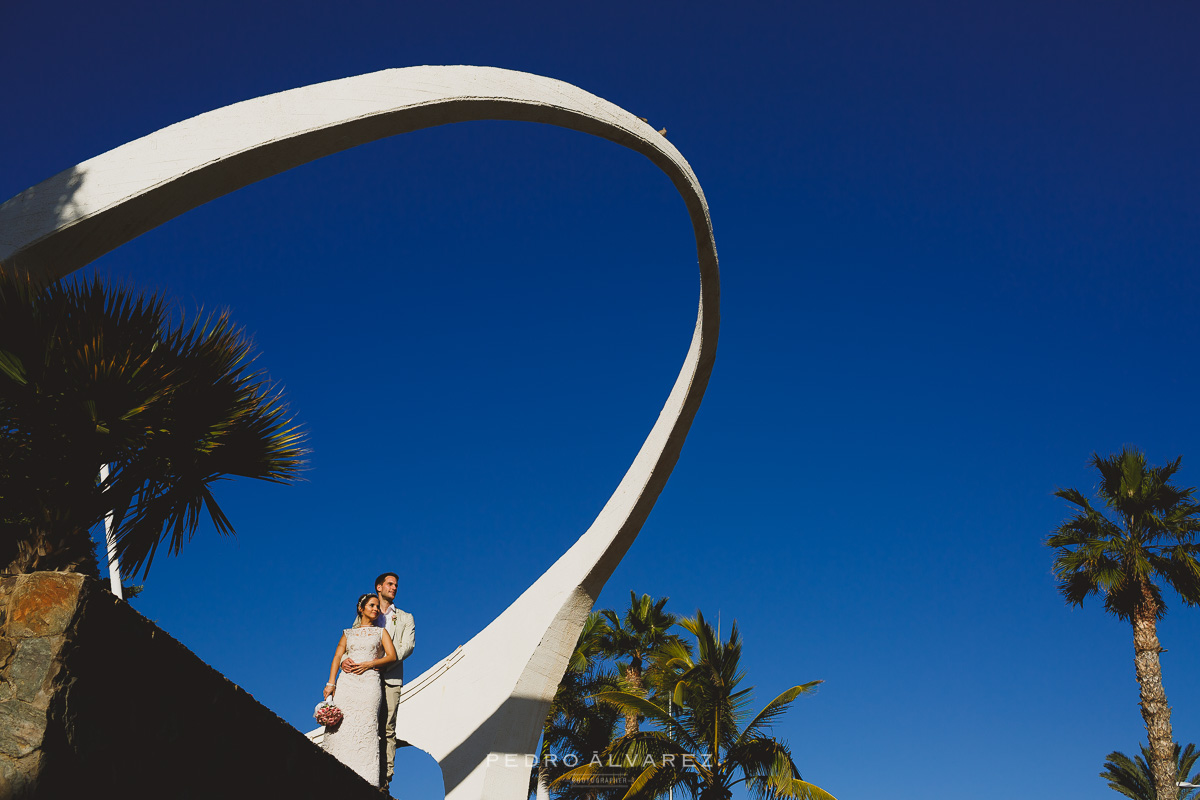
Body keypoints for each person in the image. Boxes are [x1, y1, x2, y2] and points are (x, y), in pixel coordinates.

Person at [322, 593, 397, 786]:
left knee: (367, 725)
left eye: (376, 606)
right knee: (341, 726)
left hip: (369, 684)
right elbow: (337, 656)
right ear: (361, 608)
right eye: (371, 605)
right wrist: (331, 684)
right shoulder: (348, 633)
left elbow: (392, 656)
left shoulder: (381, 632)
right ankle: (332, 770)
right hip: (347, 684)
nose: (375, 609)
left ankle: (366, 778)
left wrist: (370, 664)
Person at [348, 572, 414, 790]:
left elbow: (407, 647)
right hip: (365, 678)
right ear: (379, 587)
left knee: (387, 727)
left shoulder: (405, 618)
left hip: (391, 677)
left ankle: (384, 778)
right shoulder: (367, 611)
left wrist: (382, 662)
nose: (394, 588)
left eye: (396, 585)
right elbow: (353, 640)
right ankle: (363, 768)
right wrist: (345, 662)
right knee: (366, 722)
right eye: (390, 584)